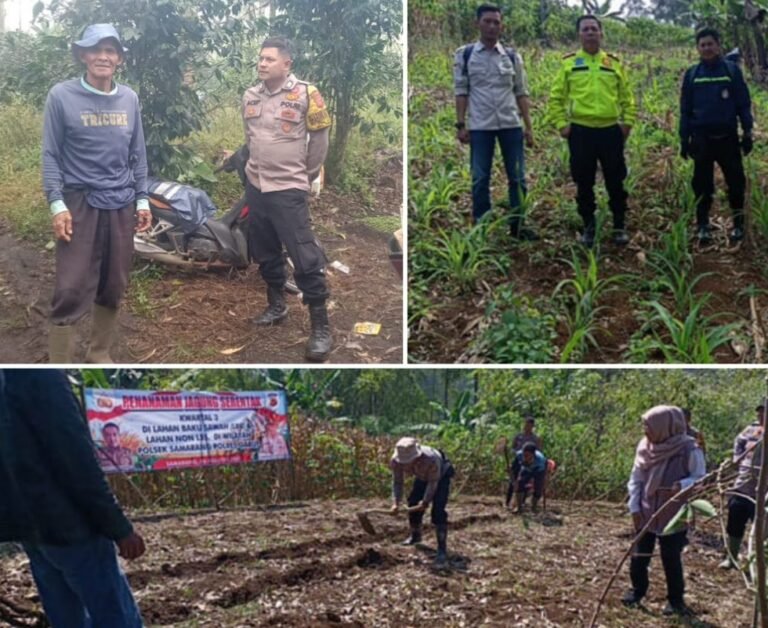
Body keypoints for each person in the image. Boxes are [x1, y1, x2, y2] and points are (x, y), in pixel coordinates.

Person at [0, 369, 145, 627]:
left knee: (66, 618)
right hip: (69, 524)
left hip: (28, 527)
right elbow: (76, 460)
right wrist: (119, 528)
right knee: (114, 616)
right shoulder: (42, 378)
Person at [43, 24, 151, 363]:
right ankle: (60, 365)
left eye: (110, 50)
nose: (103, 56)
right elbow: (50, 154)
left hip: (120, 202)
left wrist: (143, 198)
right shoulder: (62, 96)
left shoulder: (129, 98)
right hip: (79, 203)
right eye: (96, 49)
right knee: (70, 287)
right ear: (83, 55)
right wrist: (57, 204)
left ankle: (99, 353)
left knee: (114, 283)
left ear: (119, 58)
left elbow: (138, 154)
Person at [242, 36, 333, 362]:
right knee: (265, 250)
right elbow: (250, 138)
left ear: (286, 63)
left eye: (269, 59)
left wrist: (305, 176)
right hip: (258, 186)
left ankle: (320, 327)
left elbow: (320, 140)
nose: (262, 64)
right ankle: (276, 305)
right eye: (260, 58)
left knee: (304, 255)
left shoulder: (307, 94)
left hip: (289, 188)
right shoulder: (250, 95)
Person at [548, 15, 636, 247]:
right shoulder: (569, 63)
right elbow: (556, 98)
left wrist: (626, 124)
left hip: (610, 131)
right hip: (581, 133)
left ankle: (619, 225)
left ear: (601, 33)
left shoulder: (614, 64)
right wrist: (561, 124)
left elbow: (627, 97)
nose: (590, 32)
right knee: (584, 181)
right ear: (579, 34)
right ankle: (589, 226)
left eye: (594, 29)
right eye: (585, 29)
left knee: (616, 180)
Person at [453, 4, 537, 238]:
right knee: (480, 178)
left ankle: (518, 226)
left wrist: (529, 127)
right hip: (481, 127)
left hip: (511, 125)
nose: (492, 26)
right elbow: (461, 91)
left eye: (496, 22)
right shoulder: (465, 54)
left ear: (502, 26)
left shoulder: (512, 56)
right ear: (477, 24)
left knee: (518, 178)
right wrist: (460, 125)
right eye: (487, 21)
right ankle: (482, 225)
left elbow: (521, 92)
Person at [622, 405, 705, 617]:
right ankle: (637, 591)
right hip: (647, 508)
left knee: (671, 556)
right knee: (640, 554)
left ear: (665, 426)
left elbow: (700, 478)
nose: (645, 430)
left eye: (649, 426)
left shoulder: (689, 449)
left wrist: (683, 484)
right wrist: (634, 506)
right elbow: (636, 478)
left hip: (674, 512)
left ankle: (675, 600)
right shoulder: (645, 446)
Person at [679, 28, 754, 244]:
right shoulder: (692, 74)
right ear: (698, 48)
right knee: (701, 184)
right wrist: (684, 139)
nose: (707, 48)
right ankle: (703, 225)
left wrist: (747, 131)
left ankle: (738, 224)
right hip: (701, 138)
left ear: (718, 45)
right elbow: (685, 109)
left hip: (727, 137)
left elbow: (743, 103)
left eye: (710, 44)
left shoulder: (731, 71)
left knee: (736, 182)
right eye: (702, 45)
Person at [390, 437, 455, 565]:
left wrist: (425, 502)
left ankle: (442, 549)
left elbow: (433, 483)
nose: (405, 465)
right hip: (421, 476)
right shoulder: (396, 461)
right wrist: (395, 502)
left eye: (408, 461)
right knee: (412, 501)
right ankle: (415, 536)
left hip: (440, 476)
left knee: (438, 510)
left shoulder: (431, 459)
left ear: (416, 457)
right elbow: (397, 482)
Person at [719, 399, 765, 569]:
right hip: (742, 486)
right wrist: (736, 460)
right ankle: (732, 558)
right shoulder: (750, 430)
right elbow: (738, 444)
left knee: (761, 530)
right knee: (734, 523)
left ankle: (756, 565)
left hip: (763, 492)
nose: (761, 415)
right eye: (759, 412)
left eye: (764, 412)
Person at [507, 443, 547, 512]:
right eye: (524, 455)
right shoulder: (519, 455)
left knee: (538, 487)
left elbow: (541, 474)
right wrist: (514, 482)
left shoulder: (540, 461)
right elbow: (513, 470)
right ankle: (519, 507)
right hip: (526, 469)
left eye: (527, 455)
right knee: (520, 484)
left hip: (539, 470)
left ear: (533, 454)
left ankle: (534, 507)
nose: (525, 457)